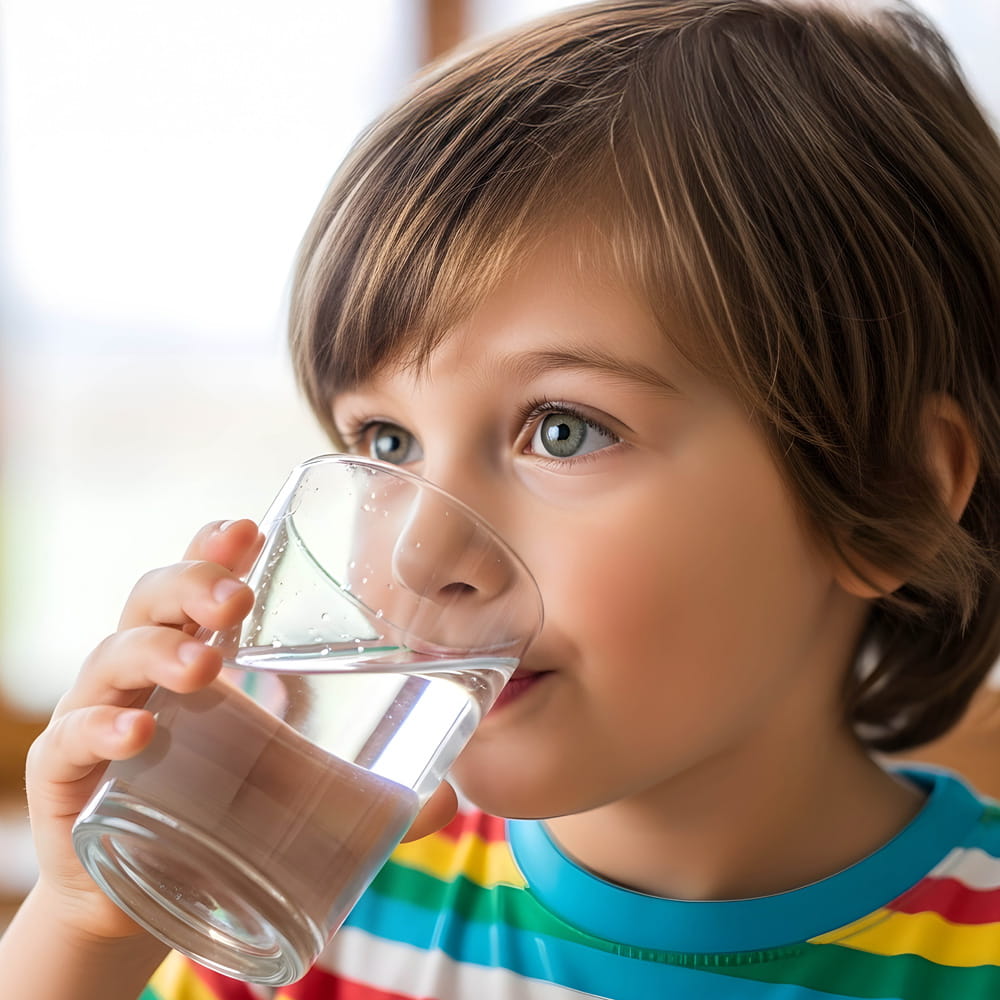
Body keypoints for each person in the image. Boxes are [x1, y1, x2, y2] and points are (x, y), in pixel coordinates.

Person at [3, 0, 1000, 996]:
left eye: (562, 429)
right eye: (386, 442)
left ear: (892, 492)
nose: (420, 555)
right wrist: (85, 932)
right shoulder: (316, 903)